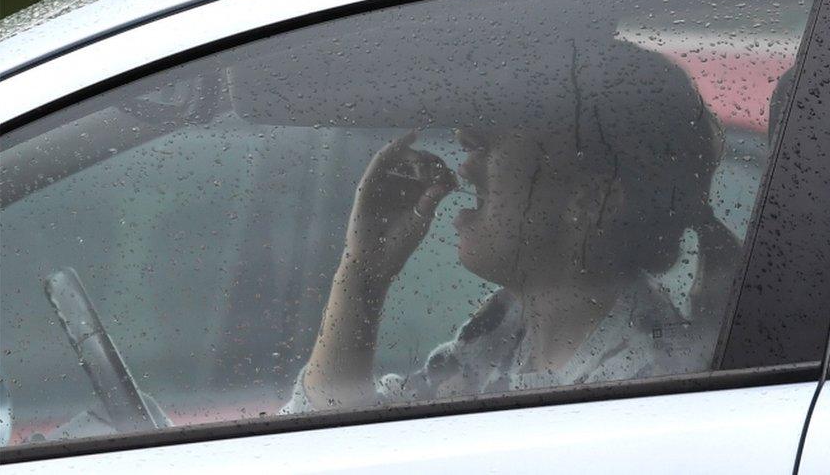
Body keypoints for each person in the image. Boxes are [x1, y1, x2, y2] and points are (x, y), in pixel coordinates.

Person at [283, 39, 740, 413]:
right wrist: (363, 274)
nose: (464, 166)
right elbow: (332, 440)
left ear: (588, 198)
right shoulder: (505, 330)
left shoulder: (648, 387)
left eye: (492, 139)